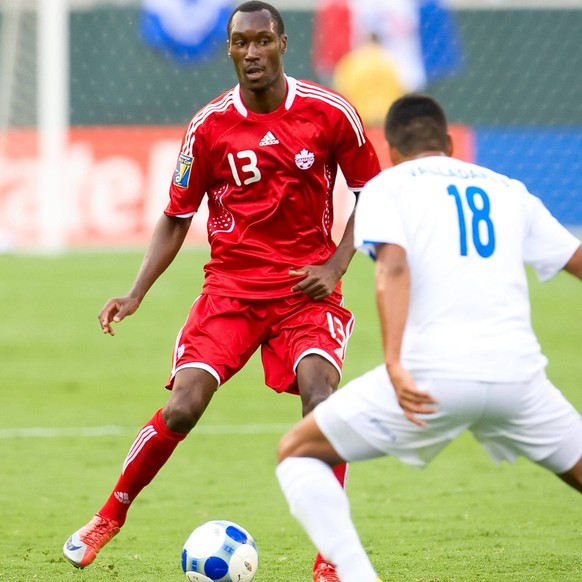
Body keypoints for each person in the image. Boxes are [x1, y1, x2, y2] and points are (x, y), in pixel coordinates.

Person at [62, 3, 380, 582]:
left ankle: (330, 555)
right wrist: (135, 294)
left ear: (284, 43)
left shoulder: (330, 113)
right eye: (240, 43)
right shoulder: (208, 126)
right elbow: (176, 216)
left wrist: (335, 265)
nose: (251, 52)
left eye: (262, 41)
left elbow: (376, 195)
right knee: (182, 407)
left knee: (322, 400)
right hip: (230, 291)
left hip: (303, 292)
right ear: (229, 49)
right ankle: (110, 515)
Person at [275, 94, 582, 582]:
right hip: (519, 379)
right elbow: (576, 261)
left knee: (296, 453)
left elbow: (392, 265)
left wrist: (395, 363)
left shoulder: (385, 185)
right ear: (451, 144)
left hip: (430, 380)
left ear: (392, 150)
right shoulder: (508, 189)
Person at [332, 33, 405, 128]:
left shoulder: (352, 62)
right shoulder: (391, 61)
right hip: (386, 121)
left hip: (361, 122)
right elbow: (401, 90)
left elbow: (342, 92)